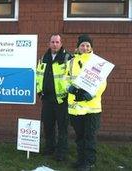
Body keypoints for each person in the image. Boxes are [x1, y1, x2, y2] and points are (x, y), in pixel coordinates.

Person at [66, 34, 107, 170]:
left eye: (87, 45)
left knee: (89, 136)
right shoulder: (70, 62)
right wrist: (69, 87)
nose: (85, 47)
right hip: (76, 107)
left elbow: (102, 83)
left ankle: (89, 162)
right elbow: (65, 79)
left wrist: (92, 94)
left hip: (91, 107)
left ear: (91, 47)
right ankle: (81, 160)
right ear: (78, 47)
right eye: (82, 45)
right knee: (80, 136)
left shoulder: (97, 62)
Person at [36, 34, 72, 161]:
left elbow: (73, 77)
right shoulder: (43, 58)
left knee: (62, 127)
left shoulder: (68, 58)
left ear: (61, 44)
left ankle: (61, 153)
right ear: (49, 43)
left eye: (57, 42)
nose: (55, 44)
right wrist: (39, 91)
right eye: (52, 42)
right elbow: (38, 75)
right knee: (48, 125)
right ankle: (49, 148)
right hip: (47, 99)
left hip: (62, 100)